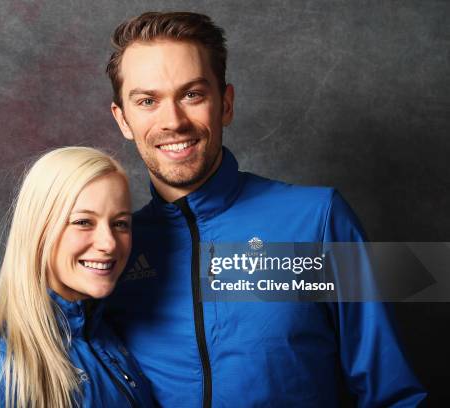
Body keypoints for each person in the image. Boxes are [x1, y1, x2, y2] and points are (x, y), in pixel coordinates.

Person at [105, 12, 427, 407]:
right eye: (147, 101)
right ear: (123, 119)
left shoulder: (317, 220)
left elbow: (394, 395)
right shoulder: (113, 251)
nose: (172, 121)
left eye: (192, 94)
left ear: (225, 104)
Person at [0, 147, 154, 408]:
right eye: (83, 222)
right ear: (40, 231)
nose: (109, 244)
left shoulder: (108, 335)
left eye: (120, 223)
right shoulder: (4, 378)